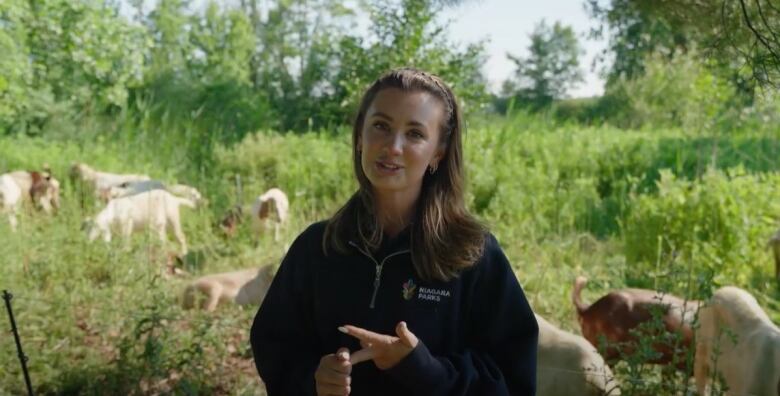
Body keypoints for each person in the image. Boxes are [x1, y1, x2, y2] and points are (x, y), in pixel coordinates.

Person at [250, 68, 538, 395]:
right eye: (381, 126)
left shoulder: (473, 254)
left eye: (415, 133)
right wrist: (313, 381)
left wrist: (425, 370)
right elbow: (275, 348)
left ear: (439, 152)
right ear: (360, 136)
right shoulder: (317, 247)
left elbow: (514, 380)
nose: (393, 146)